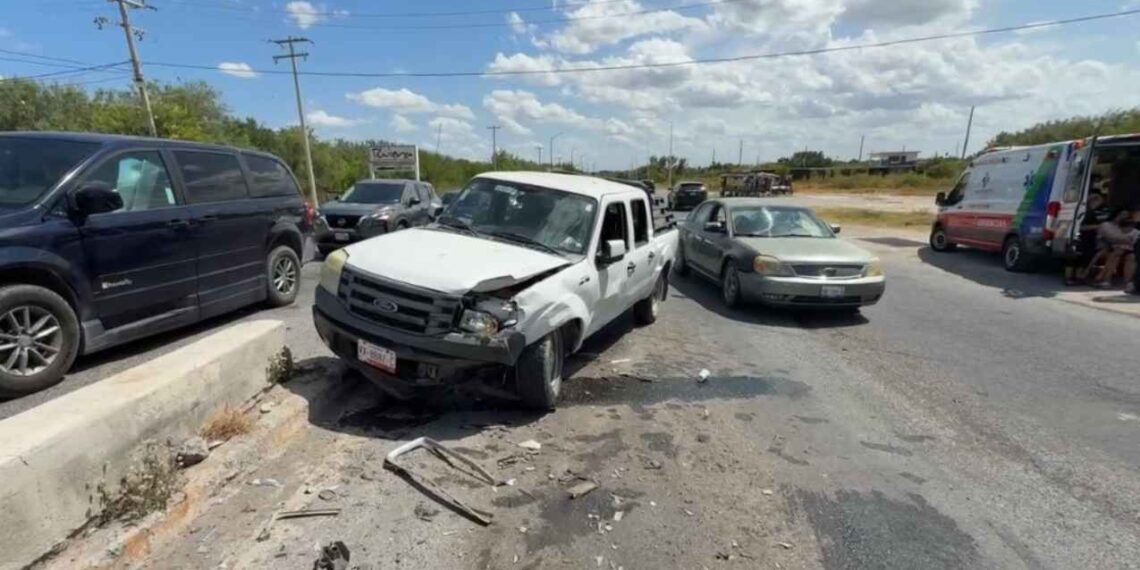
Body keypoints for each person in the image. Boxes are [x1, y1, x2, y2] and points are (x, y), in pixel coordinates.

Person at [1065, 193, 1110, 285]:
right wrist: (1097, 226)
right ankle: (1070, 278)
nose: (1100, 203)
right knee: (1075, 258)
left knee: (1083, 258)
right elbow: (1081, 227)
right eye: (1099, 201)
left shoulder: (1088, 212)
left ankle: (1077, 277)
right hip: (1082, 237)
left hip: (1088, 238)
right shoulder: (1087, 213)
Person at [1092, 209, 1139, 288]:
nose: (1123, 217)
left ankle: (1128, 282)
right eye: (1122, 214)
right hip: (1108, 248)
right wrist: (1124, 241)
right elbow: (1110, 239)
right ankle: (1106, 280)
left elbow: (1133, 242)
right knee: (1115, 255)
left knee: (1131, 257)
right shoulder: (1106, 225)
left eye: (1126, 215)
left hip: (1127, 250)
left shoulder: (1133, 230)